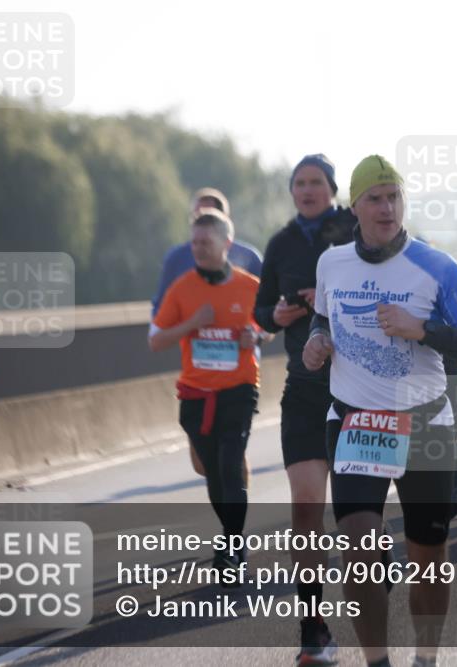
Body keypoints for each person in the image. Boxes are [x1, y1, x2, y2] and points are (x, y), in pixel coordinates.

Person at [303, 155, 457, 667]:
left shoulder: (438, 267)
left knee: (428, 561)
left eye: (395, 197)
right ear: (355, 207)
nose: (387, 208)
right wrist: (316, 341)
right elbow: (322, 318)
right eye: (375, 198)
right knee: (360, 554)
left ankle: (426, 658)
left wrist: (423, 329)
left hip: (425, 422)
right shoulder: (331, 263)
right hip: (355, 420)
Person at [253, 154, 355, 665]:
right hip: (305, 389)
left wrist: (329, 296)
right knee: (307, 510)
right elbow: (260, 312)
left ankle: (374, 611)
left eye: (316, 182)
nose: (307, 190)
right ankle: (313, 627)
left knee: (363, 521)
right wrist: (276, 313)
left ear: (333, 188)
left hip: (362, 392)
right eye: (299, 183)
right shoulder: (281, 243)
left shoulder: (361, 229)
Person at [149, 209, 260, 579]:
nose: (198, 249)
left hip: (239, 390)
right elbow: (156, 340)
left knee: (231, 466)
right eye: (194, 242)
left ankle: (232, 546)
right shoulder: (182, 288)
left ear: (226, 244)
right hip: (196, 395)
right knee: (213, 473)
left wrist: (255, 336)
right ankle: (232, 539)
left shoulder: (248, 287)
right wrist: (192, 323)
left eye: (206, 242)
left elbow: (265, 329)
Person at [152, 188, 263, 484]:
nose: (202, 219)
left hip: (240, 370)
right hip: (198, 369)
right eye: (197, 215)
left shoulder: (249, 258)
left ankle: (235, 508)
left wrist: (256, 335)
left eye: (209, 214)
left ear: (225, 224)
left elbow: (266, 313)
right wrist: (187, 323)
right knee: (205, 465)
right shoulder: (178, 258)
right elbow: (159, 313)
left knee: (230, 455)